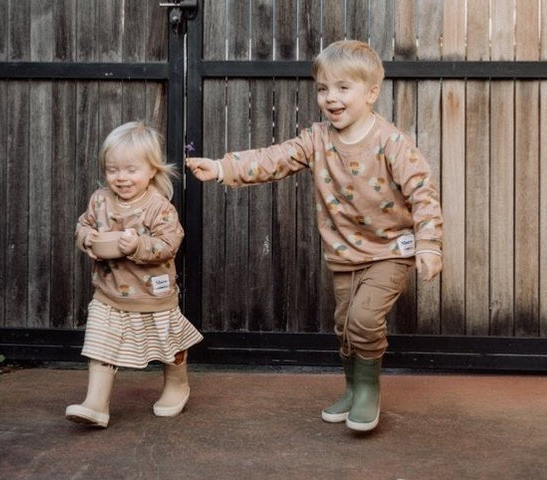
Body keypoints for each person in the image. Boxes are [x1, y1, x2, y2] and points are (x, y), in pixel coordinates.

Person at [186, 40, 443, 432]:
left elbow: (422, 193)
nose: (330, 98)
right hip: (343, 253)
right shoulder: (316, 139)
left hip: (391, 249)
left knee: (363, 319)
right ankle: (353, 389)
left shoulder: (391, 143)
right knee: (344, 328)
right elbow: (273, 158)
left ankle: (369, 392)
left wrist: (428, 244)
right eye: (323, 89)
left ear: (371, 92)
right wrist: (223, 168)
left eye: (343, 88)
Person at [66, 121, 203, 428]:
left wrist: (138, 245)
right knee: (100, 343)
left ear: (152, 170)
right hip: (109, 292)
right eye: (113, 170)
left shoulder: (159, 207)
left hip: (153, 294)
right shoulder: (100, 200)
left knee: (169, 345)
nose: (121, 178)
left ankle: (177, 384)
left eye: (131, 170)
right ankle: (96, 403)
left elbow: (169, 244)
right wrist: (87, 238)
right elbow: (83, 224)